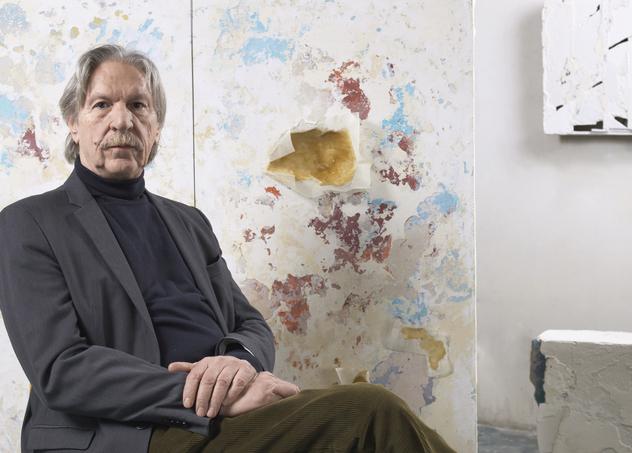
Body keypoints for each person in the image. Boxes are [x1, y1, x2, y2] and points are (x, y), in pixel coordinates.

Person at [0, 44, 455, 453]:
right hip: (129, 433)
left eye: (138, 105)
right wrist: (213, 397)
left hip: (224, 418)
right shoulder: (28, 224)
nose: (122, 120)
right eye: (102, 104)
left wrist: (240, 364)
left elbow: (249, 323)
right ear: (73, 123)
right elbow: (61, 369)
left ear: (155, 127)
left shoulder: (188, 222)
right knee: (369, 410)